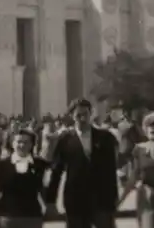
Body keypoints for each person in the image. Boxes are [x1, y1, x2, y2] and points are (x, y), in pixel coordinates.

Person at [45, 98, 118, 228]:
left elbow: (111, 170)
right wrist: (51, 200)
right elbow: (56, 171)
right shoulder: (65, 140)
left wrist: (114, 198)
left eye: (86, 114)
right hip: (75, 199)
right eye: (78, 115)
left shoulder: (105, 138)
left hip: (102, 199)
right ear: (72, 116)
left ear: (91, 114)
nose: (83, 118)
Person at [0, 128, 48, 228]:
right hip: (7, 217)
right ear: (12, 143)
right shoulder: (1, 165)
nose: (22, 145)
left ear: (32, 144)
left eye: (26, 142)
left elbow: (43, 191)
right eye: (19, 142)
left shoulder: (40, 165)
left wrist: (49, 208)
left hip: (32, 218)